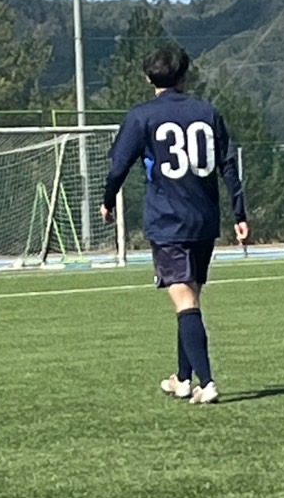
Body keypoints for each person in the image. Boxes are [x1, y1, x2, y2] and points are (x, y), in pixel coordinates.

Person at [101, 48, 248, 405]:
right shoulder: (207, 112)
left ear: (147, 78)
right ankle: (183, 379)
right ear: (185, 75)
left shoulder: (142, 116)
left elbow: (118, 166)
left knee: (185, 301)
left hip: (168, 221)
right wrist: (240, 213)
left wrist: (108, 200)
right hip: (204, 220)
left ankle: (207, 383)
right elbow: (228, 165)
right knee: (190, 298)